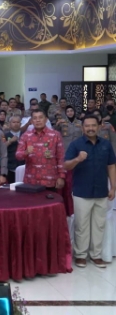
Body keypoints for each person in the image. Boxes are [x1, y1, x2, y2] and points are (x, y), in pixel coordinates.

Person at [64, 115, 116, 268]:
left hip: (101, 190)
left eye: (93, 125)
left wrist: (113, 187)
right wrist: (77, 159)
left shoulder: (106, 144)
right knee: (81, 225)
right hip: (81, 191)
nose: (90, 128)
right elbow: (66, 165)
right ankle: (80, 255)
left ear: (99, 127)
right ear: (82, 128)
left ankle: (96, 255)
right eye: (87, 126)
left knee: (99, 225)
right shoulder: (76, 145)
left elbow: (111, 166)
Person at [16, 109, 65, 190]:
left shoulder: (55, 135)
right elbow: (18, 155)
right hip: (31, 181)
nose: (38, 120)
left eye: (40, 117)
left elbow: (61, 157)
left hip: (50, 181)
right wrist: (26, 152)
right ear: (31, 121)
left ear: (46, 119)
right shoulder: (26, 136)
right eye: (35, 118)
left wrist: (61, 176)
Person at [5, 115, 25, 184]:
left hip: (23, 166)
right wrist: (10, 141)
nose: (16, 124)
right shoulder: (5, 135)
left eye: (17, 122)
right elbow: (1, 148)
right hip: (10, 167)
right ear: (9, 124)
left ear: (20, 124)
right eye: (13, 122)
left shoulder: (25, 135)